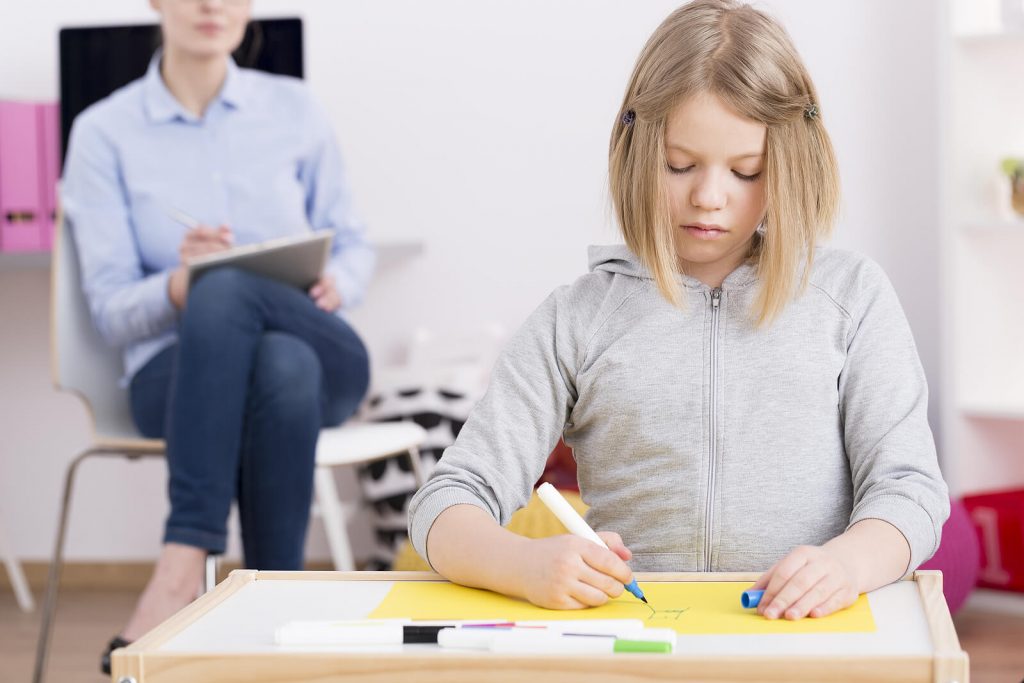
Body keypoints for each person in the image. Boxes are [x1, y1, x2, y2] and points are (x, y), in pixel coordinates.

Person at [408, 0, 949, 620]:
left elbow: (910, 489)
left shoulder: (852, 298)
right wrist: (523, 565)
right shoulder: (577, 318)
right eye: (679, 165)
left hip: (805, 637)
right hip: (639, 637)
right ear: (637, 151)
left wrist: (847, 564)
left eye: (747, 171)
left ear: (790, 165)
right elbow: (445, 502)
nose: (709, 197)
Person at [60, 0, 373, 669]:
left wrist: (337, 282)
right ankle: (275, 608)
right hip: (175, 380)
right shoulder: (103, 132)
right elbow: (111, 308)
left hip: (328, 354)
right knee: (278, 360)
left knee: (235, 295)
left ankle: (184, 559)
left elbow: (354, 245)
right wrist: (181, 283)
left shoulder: (295, 109)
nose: (212, 5)